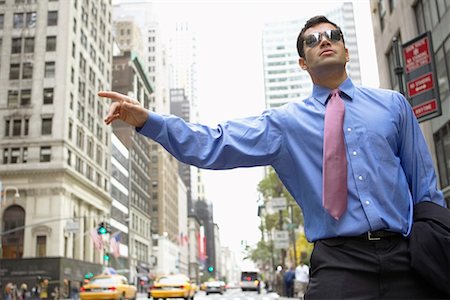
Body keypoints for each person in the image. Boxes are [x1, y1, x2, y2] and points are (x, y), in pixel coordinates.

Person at [98, 15, 447, 299]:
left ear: (346, 50)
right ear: (302, 62)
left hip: (407, 257)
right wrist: (149, 122)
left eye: (333, 35)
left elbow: (425, 188)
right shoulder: (285, 124)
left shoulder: (393, 106)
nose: (324, 41)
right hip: (341, 266)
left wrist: (434, 245)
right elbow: (215, 143)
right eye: (312, 40)